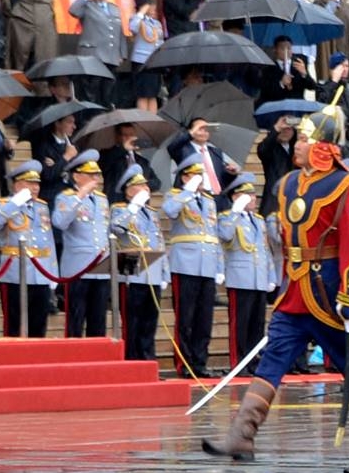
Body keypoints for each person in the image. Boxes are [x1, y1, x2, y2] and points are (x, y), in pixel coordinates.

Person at [199, 118, 349, 473]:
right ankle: (243, 435)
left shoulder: (346, 186)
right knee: (272, 362)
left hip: (329, 294)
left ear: (324, 145)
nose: (297, 144)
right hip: (295, 290)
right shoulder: (288, 183)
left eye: (304, 139)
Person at [162, 156, 223, 377]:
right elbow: (169, 211)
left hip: (207, 265)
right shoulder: (176, 196)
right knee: (185, 319)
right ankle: (184, 364)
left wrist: (219, 267)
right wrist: (187, 191)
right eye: (196, 176)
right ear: (185, 177)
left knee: (204, 320)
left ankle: (200, 362)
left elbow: (213, 235)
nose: (200, 180)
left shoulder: (208, 201)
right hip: (185, 264)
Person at [216, 171, 277, 364]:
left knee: (256, 325)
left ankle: (252, 361)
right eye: (248, 195)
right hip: (240, 278)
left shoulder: (258, 220)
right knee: (240, 324)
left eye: (254, 195)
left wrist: (271, 275)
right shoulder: (227, 217)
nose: (253, 199)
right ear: (236, 197)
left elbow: (265, 250)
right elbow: (225, 235)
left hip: (258, 278)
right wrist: (235, 211)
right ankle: (238, 362)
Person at [0, 162, 53, 336]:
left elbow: (49, 241)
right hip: (15, 274)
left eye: (37, 184)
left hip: (40, 274)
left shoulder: (42, 206)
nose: (35, 187)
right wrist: (15, 203)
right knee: (14, 326)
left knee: (38, 326)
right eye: (30, 183)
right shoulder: (3, 204)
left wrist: (52, 273)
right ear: (17, 185)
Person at [110, 166, 165, 364]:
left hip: (153, 271)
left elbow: (159, 242)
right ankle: (132, 359)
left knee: (150, 321)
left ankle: (147, 359)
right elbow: (115, 227)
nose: (146, 189)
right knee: (132, 321)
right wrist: (132, 208)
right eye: (140, 185)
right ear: (129, 190)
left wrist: (164, 273)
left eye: (146, 185)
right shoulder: (120, 209)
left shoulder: (151, 212)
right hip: (132, 270)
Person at [55, 156, 113, 338]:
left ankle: (98, 360)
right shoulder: (66, 197)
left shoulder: (102, 199)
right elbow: (60, 222)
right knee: (76, 318)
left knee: (98, 319)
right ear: (77, 176)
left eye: (96, 174)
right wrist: (79, 196)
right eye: (90, 174)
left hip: (101, 265)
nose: (95, 178)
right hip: (77, 267)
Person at [68, 0, 126, 101]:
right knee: (91, 92)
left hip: (111, 57)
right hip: (93, 56)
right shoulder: (87, 6)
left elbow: (119, 31)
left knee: (108, 93)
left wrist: (122, 53)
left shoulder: (114, 8)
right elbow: (73, 10)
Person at [2, 0, 57, 71]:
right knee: (21, 75)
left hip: (43, 43)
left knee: (43, 76)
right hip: (22, 44)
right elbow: (7, 8)